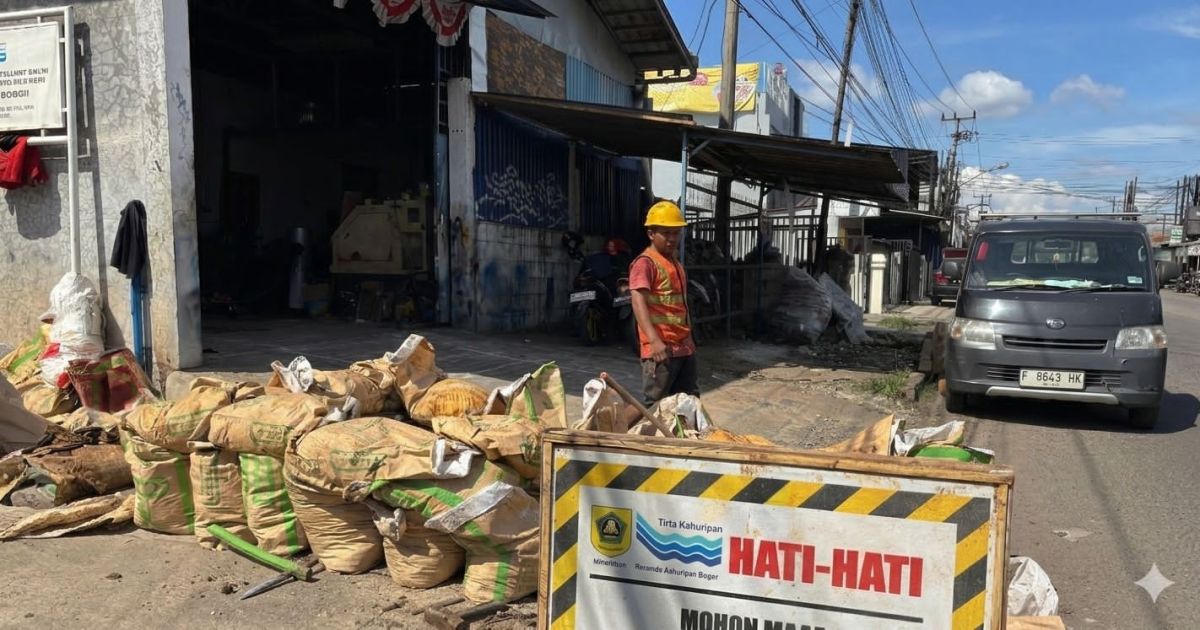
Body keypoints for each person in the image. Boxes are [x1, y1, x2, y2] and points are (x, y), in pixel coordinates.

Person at [628, 200, 699, 406]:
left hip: (683, 347)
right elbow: (638, 301)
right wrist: (653, 341)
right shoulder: (645, 263)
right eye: (666, 233)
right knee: (656, 405)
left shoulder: (674, 262)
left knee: (688, 403)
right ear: (651, 234)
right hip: (662, 349)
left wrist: (689, 339)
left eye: (676, 233)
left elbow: (679, 306)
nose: (672, 239)